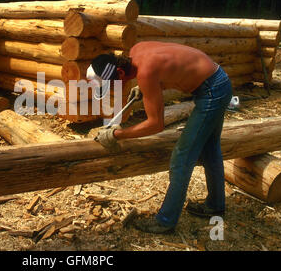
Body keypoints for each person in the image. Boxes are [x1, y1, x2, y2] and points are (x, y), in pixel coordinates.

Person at [88, 41, 233, 234]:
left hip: (212, 91)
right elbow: (170, 67)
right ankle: (215, 205)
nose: (115, 88)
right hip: (218, 79)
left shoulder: (145, 72)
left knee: (182, 157)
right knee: (209, 147)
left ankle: (165, 221)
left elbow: (156, 124)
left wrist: (117, 134)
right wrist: (148, 87)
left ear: (121, 73)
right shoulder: (136, 50)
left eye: (113, 84)